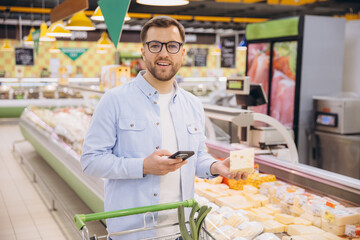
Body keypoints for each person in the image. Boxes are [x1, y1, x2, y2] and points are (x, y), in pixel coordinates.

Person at [81, 16, 248, 240]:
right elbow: (91, 161)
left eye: (172, 45)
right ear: (143, 52)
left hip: (181, 230)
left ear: (182, 52)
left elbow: (196, 158)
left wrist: (217, 166)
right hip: (133, 233)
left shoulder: (193, 105)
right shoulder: (115, 100)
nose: (163, 53)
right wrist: (143, 166)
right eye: (155, 45)